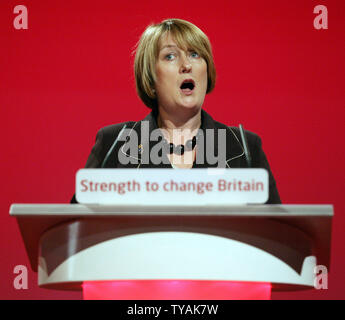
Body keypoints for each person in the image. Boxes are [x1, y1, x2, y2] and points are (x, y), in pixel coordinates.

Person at [71, 18, 281, 204]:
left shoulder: (243, 148)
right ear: (151, 79)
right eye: (170, 56)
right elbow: (75, 232)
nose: (186, 65)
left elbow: (276, 236)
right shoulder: (115, 144)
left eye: (195, 54)